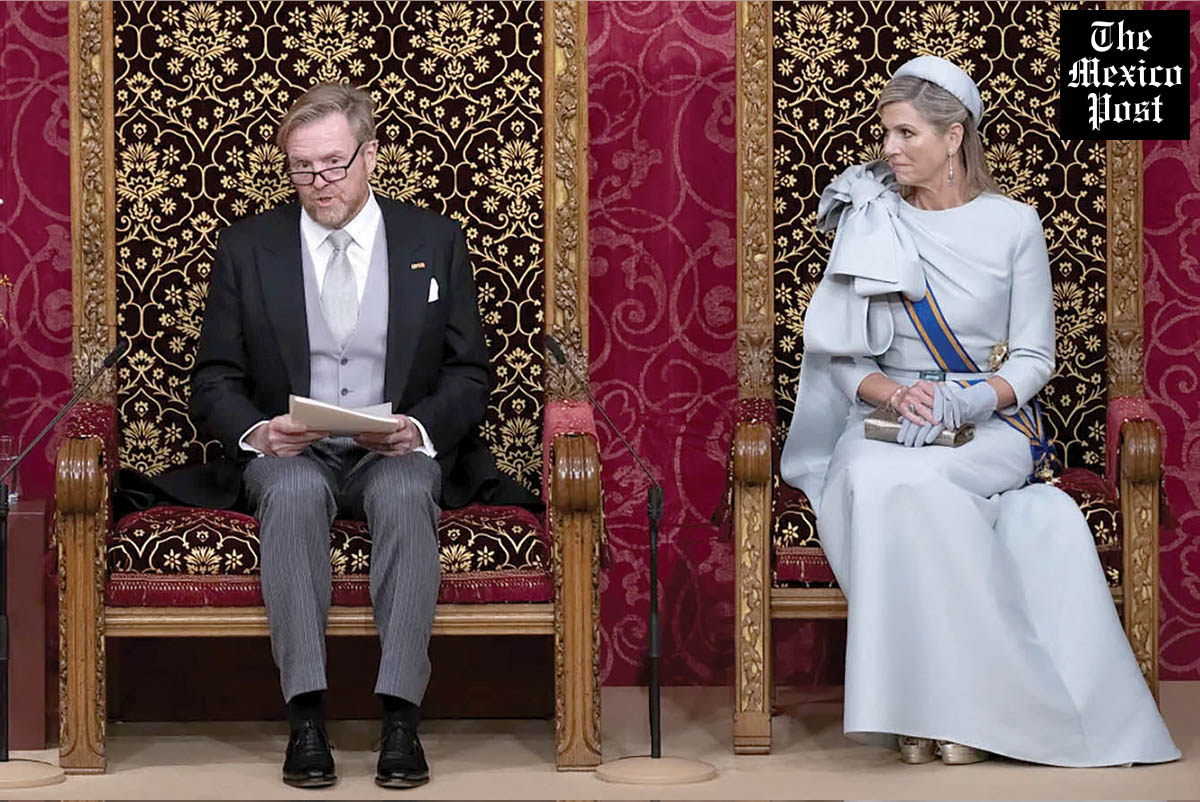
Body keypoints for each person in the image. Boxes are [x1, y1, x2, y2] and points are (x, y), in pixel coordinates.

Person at [779, 55, 1179, 767]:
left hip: (989, 423)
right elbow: (840, 358)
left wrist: (969, 397)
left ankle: (978, 712)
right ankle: (924, 708)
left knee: (922, 488)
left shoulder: (1013, 225)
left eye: (907, 133)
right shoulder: (871, 220)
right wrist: (897, 395)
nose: (890, 149)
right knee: (876, 481)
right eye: (886, 133)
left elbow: (1034, 358)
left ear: (954, 136)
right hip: (886, 421)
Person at [190, 83, 531, 789]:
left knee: (407, 493)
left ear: (370, 156)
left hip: (394, 450)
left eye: (334, 164)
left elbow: (470, 372)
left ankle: (401, 719)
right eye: (302, 168)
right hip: (295, 452)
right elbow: (214, 377)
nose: (319, 182)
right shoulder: (249, 247)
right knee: (289, 494)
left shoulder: (433, 240)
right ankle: (306, 720)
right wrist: (260, 432)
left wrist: (418, 428)